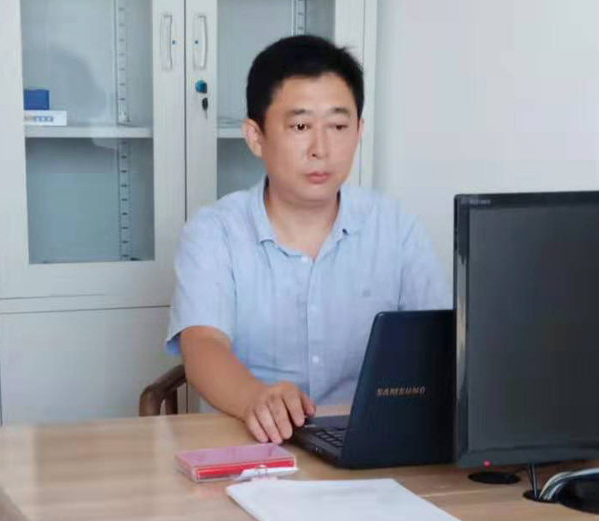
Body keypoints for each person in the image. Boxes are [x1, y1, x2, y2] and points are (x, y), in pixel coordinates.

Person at [166, 35, 448, 444]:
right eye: (300, 126)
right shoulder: (214, 233)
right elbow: (203, 346)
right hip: (250, 447)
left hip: (368, 447)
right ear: (256, 136)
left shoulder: (395, 228)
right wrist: (255, 399)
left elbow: (442, 345)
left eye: (338, 126)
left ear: (359, 131)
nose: (321, 149)